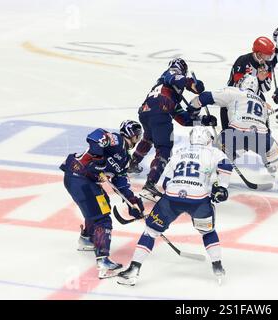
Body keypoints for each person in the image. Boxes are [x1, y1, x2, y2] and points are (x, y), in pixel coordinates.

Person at [117, 126, 233, 286]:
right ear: (208, 139)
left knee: (150, 232)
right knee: (208, 232)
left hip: (171, 198)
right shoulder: (214, 152)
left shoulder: (180, 151)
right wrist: (222, 187)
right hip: (198, 200)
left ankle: (133, 269)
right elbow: (226, 165)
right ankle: (217, 266)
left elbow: (165, 183)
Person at [189, 74, 278, 203]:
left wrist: (193, 111)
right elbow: (265, 129)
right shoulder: (262, 103)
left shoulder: (234, 91)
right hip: (262, 136)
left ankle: (195, 180)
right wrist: (268, 158)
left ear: (241, 84)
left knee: (211, 155)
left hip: (236, 132)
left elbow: (205, 97)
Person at [60, 120, 146, 279]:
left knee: (102, 204)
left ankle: (87, 238)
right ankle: (103, 262)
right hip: (79, 176)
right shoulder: (117, 141)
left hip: (83, 180)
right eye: (137, 136)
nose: (138, 139)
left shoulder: (125, 159)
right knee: (102, 219)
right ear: (130, 134)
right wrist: (99, 158)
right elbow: (96, 136)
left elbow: (120, 181)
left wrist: (132, 202)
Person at [126, 58, 217, 200]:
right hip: (159, 110)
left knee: (148, 138)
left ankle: (133, 163)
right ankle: (150, 184)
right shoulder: (171, 74)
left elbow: (184, 119)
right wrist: (192, 84)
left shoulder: (169, 93)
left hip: (146, 111)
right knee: (164, 149)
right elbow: (175, 78)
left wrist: (204, 121)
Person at [221, 37, 276, 130]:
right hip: (235, 96)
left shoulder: (267, 65)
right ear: (259, 54)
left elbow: (266, 89)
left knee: (263, 106)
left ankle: (265, 133)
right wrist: (257, 80)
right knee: (224, 106)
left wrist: (261, 80)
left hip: (256, 96)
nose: (269, 58)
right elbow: (237, 85)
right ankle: (227, 134)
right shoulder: (242, 61)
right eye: (267, 55)